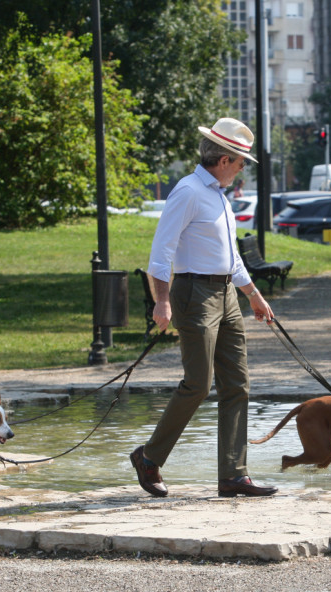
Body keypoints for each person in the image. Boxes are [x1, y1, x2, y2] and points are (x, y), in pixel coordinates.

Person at [129, 117, 278, 498]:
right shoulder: (189, 191)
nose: (243, 167)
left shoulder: (217, 195)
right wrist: (162, 302)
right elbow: (161, 252)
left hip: (226, 294)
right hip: (193, 293)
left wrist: (253, 296)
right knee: (198, 383)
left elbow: (230, 257)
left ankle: (233, 475)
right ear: (224, 159)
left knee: (238, 385)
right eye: (241, 160)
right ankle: (148, 457)